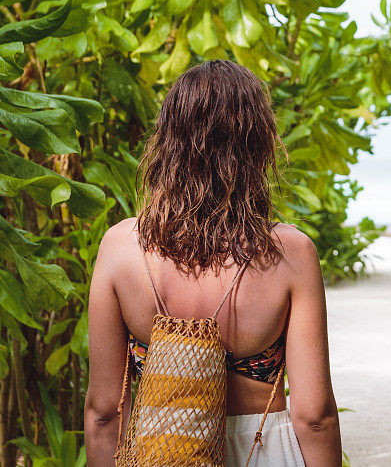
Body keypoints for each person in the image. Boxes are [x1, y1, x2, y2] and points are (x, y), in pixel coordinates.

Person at [83, 60, 341, 466]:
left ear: (166, 142)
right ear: (259, 145)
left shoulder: (120, 247)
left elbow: (103, 412)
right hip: (262, 449)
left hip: (159, 450)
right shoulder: (290, 253)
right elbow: (314, 418)